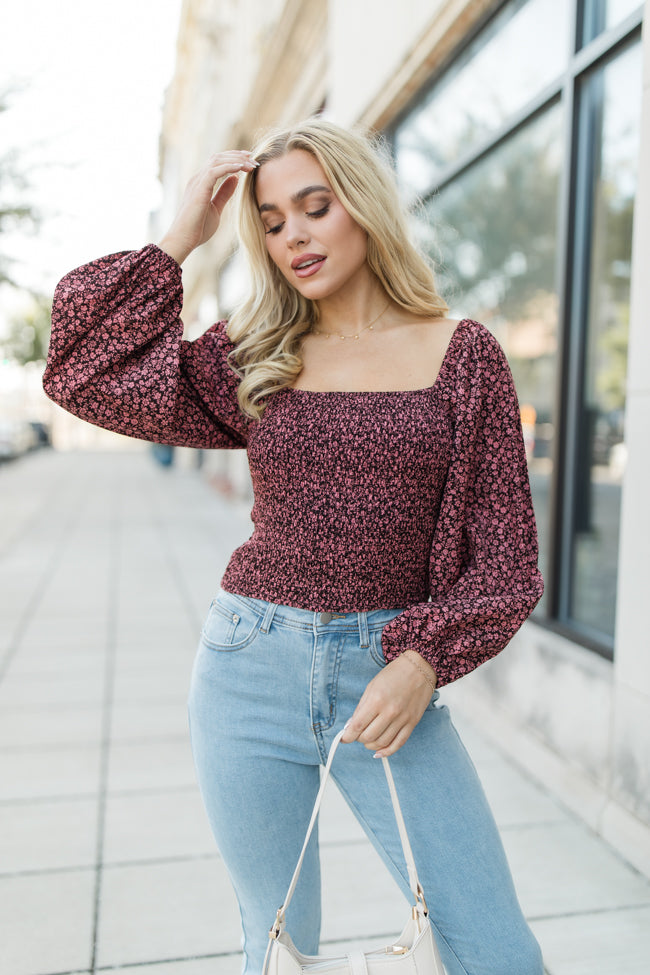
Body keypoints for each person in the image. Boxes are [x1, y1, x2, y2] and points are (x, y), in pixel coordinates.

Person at [43, 117, 545, 975]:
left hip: (388, 673)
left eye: (315, 207)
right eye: (272, 221)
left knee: (494, 950)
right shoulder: (258, 353)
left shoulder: (463, 356)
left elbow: (506, 558)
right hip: (248, 665)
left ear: (364, 206)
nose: (293, 236)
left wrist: (424, 658)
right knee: (277, 950)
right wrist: (184, 237)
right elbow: (79, 365)